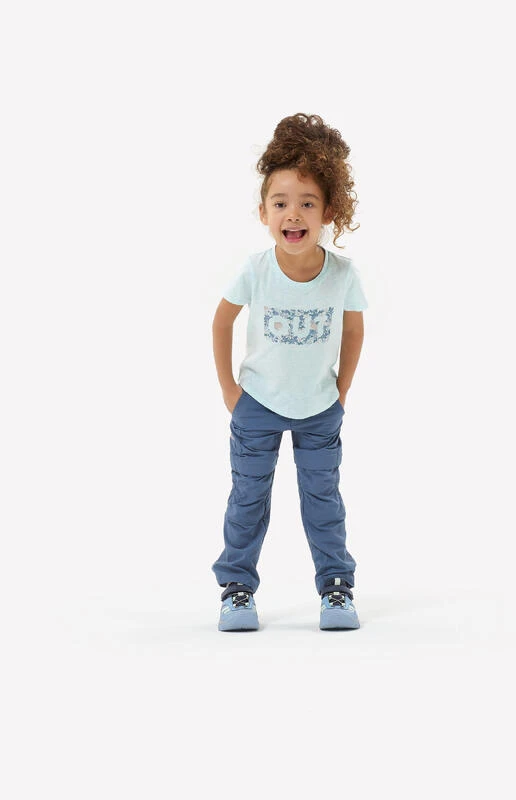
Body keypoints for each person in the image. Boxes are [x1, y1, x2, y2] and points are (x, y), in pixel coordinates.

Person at [211, 113, 367, 632]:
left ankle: (337, 588)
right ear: (263, 212)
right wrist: (231, 391)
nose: (293, 213)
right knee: (247, 499)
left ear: (328, 211)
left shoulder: (342, 274)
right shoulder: (255, 270)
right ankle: (236, 590)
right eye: (280, 203)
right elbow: (222, 321)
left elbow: (353, 331)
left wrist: (341, 392)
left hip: (319, 408)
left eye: (307, 203)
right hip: (257, 404)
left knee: (323, 502)